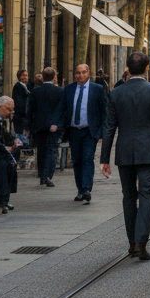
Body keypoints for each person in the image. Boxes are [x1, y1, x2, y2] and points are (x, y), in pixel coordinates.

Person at [100, 52, 150, 260]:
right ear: (147, 68)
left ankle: (132, 242)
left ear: (127, 68)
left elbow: (109, 127)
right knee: (147, 194)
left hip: (125, 149)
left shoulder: (116, 93)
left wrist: (104, 158)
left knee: (129, 196)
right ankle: (141, 242)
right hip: (149, 150)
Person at [56, 63, 107, 204]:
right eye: (78, 73)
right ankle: (80, 190)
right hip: (74, 131)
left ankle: (86, 189)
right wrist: (55, 124)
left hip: (89, 131)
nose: (81, 75)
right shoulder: (68, 89)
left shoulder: (97, 89)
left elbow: (104, 111)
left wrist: (103, 132)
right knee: (77, 161)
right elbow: (61, 108)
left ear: (88, 73)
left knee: (87, 158)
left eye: (83, 72)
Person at [29, 67, 62, 187]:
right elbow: (63, 110)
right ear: (54, 77)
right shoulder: (60, 91)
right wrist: (60, 124)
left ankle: (42, 174)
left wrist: (29, 126)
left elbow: (30, 110)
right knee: (52, 150)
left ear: (43, 77)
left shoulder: (35, 91)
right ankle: (47, 175)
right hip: (54, 126)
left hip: (40, 125)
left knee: (41, 150)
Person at [12, 69, 31, 139]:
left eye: (26, 75)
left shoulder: (26, 87)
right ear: (19, 77)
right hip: (21, 117)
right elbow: (19, 102)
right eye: (23, 75)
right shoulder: (18, 87)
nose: (25, 77)